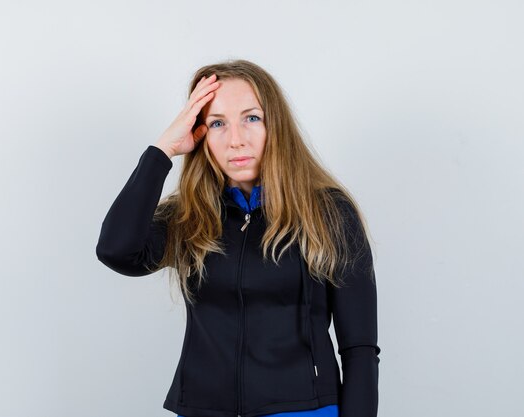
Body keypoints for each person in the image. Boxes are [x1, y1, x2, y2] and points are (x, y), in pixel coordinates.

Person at [96, 59, 380, 417]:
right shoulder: (190, 216)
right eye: (217, 123)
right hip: (201, 407)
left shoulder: (326, 212)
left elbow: (360, 347)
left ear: (275, 125)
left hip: (302, 408)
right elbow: (116, 251)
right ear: (200, 134)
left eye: (251, 118)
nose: (236, 140)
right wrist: (162, 150)